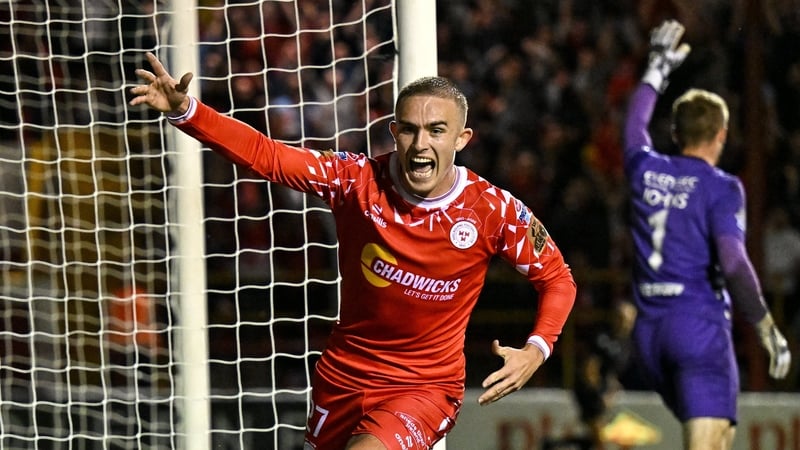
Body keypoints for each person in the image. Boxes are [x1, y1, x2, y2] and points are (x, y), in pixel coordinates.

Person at [129, 52, 577, 450]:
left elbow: (557, 279)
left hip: (423, 388)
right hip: (343, 378)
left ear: (461, 139)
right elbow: (268, 156)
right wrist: (187, 111)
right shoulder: (356, 181)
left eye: (437, 131)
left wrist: (537, 349)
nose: (421, 145)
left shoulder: (491, 210)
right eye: (410, 130)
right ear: (393, 131)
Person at [622, 20, 792, 450]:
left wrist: (655, 71)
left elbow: (634, 128)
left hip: (648, 335)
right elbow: (733, 262)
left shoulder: (647, 170)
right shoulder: (722, 186)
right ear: (722, 134)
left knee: (721, 438)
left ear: (676, 135)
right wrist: (766, 324)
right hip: (697, 325)